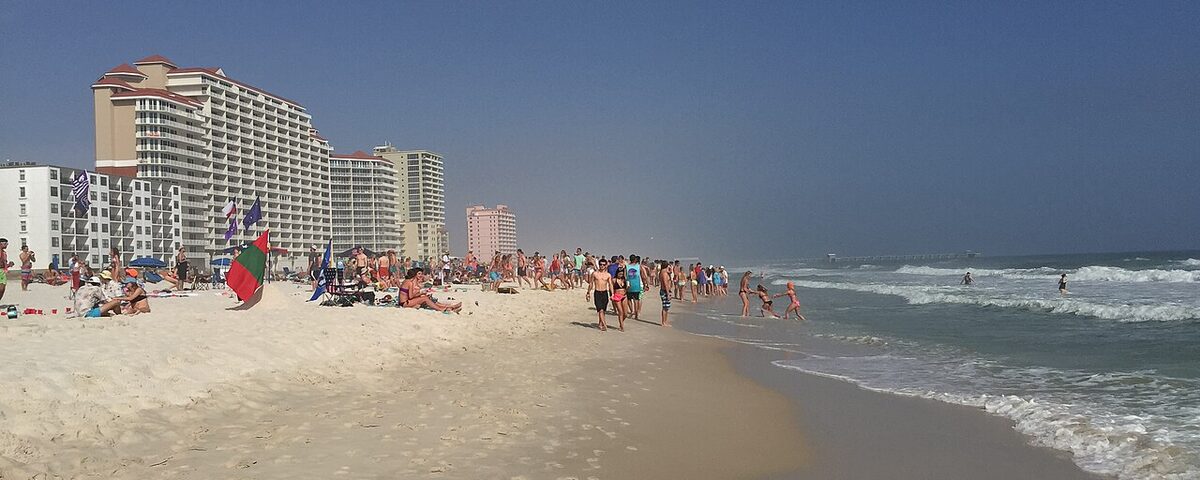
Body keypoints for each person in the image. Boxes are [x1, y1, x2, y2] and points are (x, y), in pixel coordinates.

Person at [586, 258, 613, 331]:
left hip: (604, 293)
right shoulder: (595, 274)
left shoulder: (608, 275)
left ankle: (600, 323)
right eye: (600, 264)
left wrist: (612, 294)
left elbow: (610, 285)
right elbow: (591, 283)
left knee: (603, 310)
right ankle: (604, 325)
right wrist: (588, 292)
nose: (602, 266)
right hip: (597, 292)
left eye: (603, 265)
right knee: (600, 310)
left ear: (606, 266)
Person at [626, 254, 645, 320]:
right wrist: (645, 284)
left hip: (629, 285)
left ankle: (632, 311)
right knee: (636, 300)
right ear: (635, 260)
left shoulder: (627, 266)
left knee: (629, 299)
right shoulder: (639, 267)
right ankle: (636, 314)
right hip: (637, 286)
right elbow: (643, 276)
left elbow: (625, 276)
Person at [611, 267, 628, 332]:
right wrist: (612, 295)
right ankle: (621, 326)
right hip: (617, 296)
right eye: (619, 274)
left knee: (625, 314)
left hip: (624, 296)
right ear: (617, 273)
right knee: (620, 312)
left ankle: (621, 322)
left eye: (622, 274)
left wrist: (628, 288)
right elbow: (611, 288)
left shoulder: (625, 280)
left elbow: (626, 289)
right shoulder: (614, 280)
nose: (621, 275)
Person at [658, 260, 672, 327]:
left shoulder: (663, 272)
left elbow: (670, 272)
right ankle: (663, 322)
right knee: (665, 307)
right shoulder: (664, 273)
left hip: (664, 291)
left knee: (666, 307)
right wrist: (668, 293)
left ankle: (665, 321)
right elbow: (666, 284)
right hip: (664, 291)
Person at [0, 238, 10, 303]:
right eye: (5, 243)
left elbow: (4, 264)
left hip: (2, 271)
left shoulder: (4, 253)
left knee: (2, 289)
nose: (7, 245)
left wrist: (9, 265)